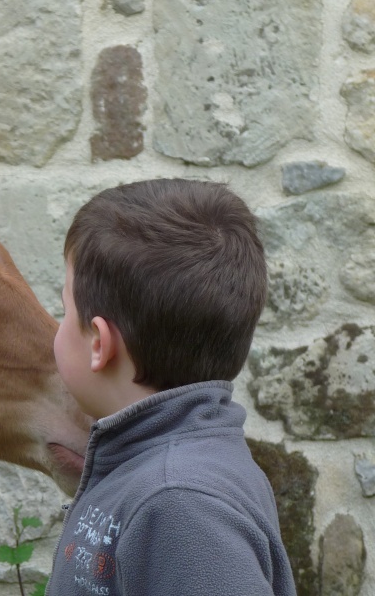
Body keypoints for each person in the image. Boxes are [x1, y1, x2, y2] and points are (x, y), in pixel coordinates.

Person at [46, 179, 296, 596]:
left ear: (98, 343)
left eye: (64, 310)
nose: (57, 326)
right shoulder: (160, 472)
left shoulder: (180, 502)